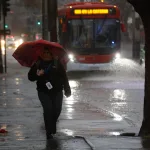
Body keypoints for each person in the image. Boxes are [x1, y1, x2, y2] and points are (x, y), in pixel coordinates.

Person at [28, 47, 71, 140]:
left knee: (57, 110)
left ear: (51, 54)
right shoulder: (37, 64)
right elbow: (30, 77)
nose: (46, 54)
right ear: (41, 54)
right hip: (43, 91)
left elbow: (64, 77)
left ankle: (52, 125)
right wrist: (37, 75)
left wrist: (67, 89)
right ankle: (49, 131)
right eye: (44, 52)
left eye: (48, 52)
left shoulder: (57, 63)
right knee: (48, 109)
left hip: (57, 91)